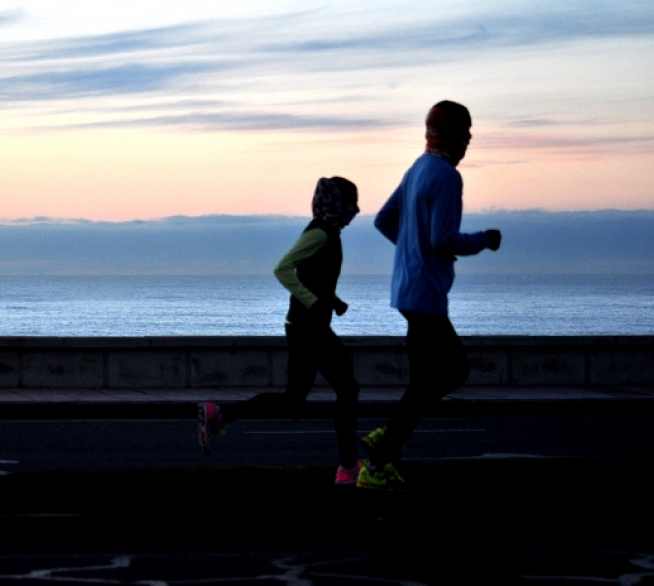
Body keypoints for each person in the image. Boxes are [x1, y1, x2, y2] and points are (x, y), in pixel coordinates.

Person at [359, 100, 502, 490]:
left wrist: (412, 248)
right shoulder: (445, 176)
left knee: (424, 379)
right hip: (426, 293)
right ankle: (382, 455)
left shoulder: (417, 169)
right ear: (450, 134)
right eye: (465, 133)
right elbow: (443, 239)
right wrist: (483, 241)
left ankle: (386, 448)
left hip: (407, 290)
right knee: (452, 371)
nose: (468, 141)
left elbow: (383, 220)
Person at [198, 177, 364, 485]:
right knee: (347, 389)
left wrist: (332, 300)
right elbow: (283, 268)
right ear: (338, 204)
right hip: (308, 327)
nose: (356, 209)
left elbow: (312, 275)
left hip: (308, 326)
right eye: (351, 202)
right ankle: (348, 466)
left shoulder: (328, 233)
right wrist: (312, 301)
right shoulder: (320, 233)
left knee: (295, 400)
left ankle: (220, 415)